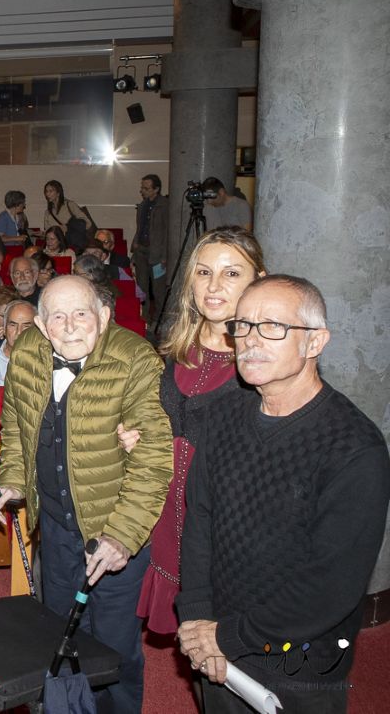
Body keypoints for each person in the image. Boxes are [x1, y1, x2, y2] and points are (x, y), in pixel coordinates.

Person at [176, 275, 390, 713]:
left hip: (299, 665)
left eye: (272, 327)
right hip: (215, 644)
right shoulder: (222, 413)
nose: (250, 341)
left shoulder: (354, 448)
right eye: (243, 325)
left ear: (315, 342)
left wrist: (226, 636)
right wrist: (198, 618)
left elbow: (329, 588)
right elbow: (198, 520)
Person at [0, 275, 172, 714]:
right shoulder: (28, 351)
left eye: (81, 314)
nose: (69, 326)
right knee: (62, 636)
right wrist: (13, 478)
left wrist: (122, 536)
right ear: (42, 324)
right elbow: (14, 421)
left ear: (104, 317)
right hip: (54, 526)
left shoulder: (135, 359)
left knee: (114, 649)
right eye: (57, 316)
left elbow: (153, 459)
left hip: (113, 529)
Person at [117, 228, 265, 637]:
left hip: (223, 528)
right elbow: (162, 423)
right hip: (165, 516)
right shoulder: (175, 346)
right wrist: (138, 437)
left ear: (258, 279)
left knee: (224, 658)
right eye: (203, 272)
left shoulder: (262, 360)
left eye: (231, 273)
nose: (214, 286)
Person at [132, 174, 170, 330]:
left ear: (156, 189)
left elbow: (168, 232)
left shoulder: (165, 206)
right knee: (141, 288)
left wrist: (164, 256)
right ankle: (144, 318)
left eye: (146, 188)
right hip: (141, 251)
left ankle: (159, 320)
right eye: (142, 187)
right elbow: (140, 228)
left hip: (157, 254)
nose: (142, 191)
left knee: (158, 290)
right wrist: (135, 245)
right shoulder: (142, 206)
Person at [42, 180, 94, 250]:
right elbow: (49, 231)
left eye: (50, 191)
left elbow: (88, 223)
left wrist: (68, 228)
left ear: (58, 193)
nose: (47, 194)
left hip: (73, 245)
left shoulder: (70, 205)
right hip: (57, 247)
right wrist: (43, 234)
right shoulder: (48, 212)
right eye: (46, 191)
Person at [0, 299, 35, 385]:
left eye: (26, 326)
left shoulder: (44, 360)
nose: (19, 332)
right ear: (4, 328)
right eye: (13, 325)